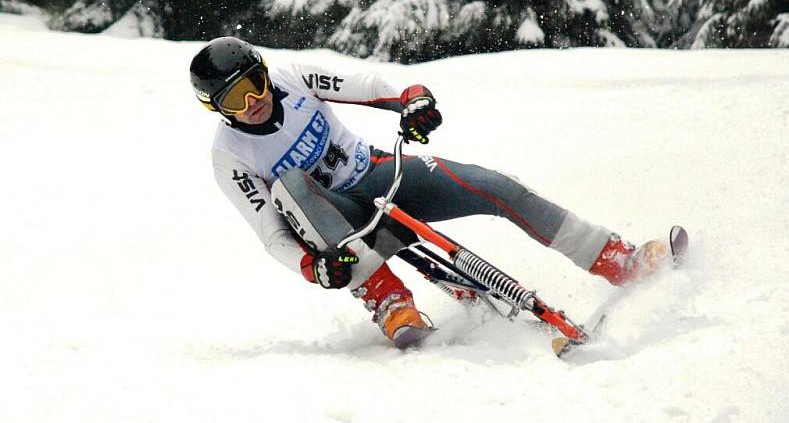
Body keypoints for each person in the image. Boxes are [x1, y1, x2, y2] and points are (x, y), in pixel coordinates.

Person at [189, 36, 669, 349]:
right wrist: (311, 267)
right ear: (216, 107)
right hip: (339, 225)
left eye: (255, 84)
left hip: (378, 175)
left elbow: (371, 85)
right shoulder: (230, 156)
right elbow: (271, 235)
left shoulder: (294, 79)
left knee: (494, 185)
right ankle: (390, 302)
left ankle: (614, 258)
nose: (254, 102)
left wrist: (412, 100)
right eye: (235, 99)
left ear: (266, 72)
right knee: (290, 187)